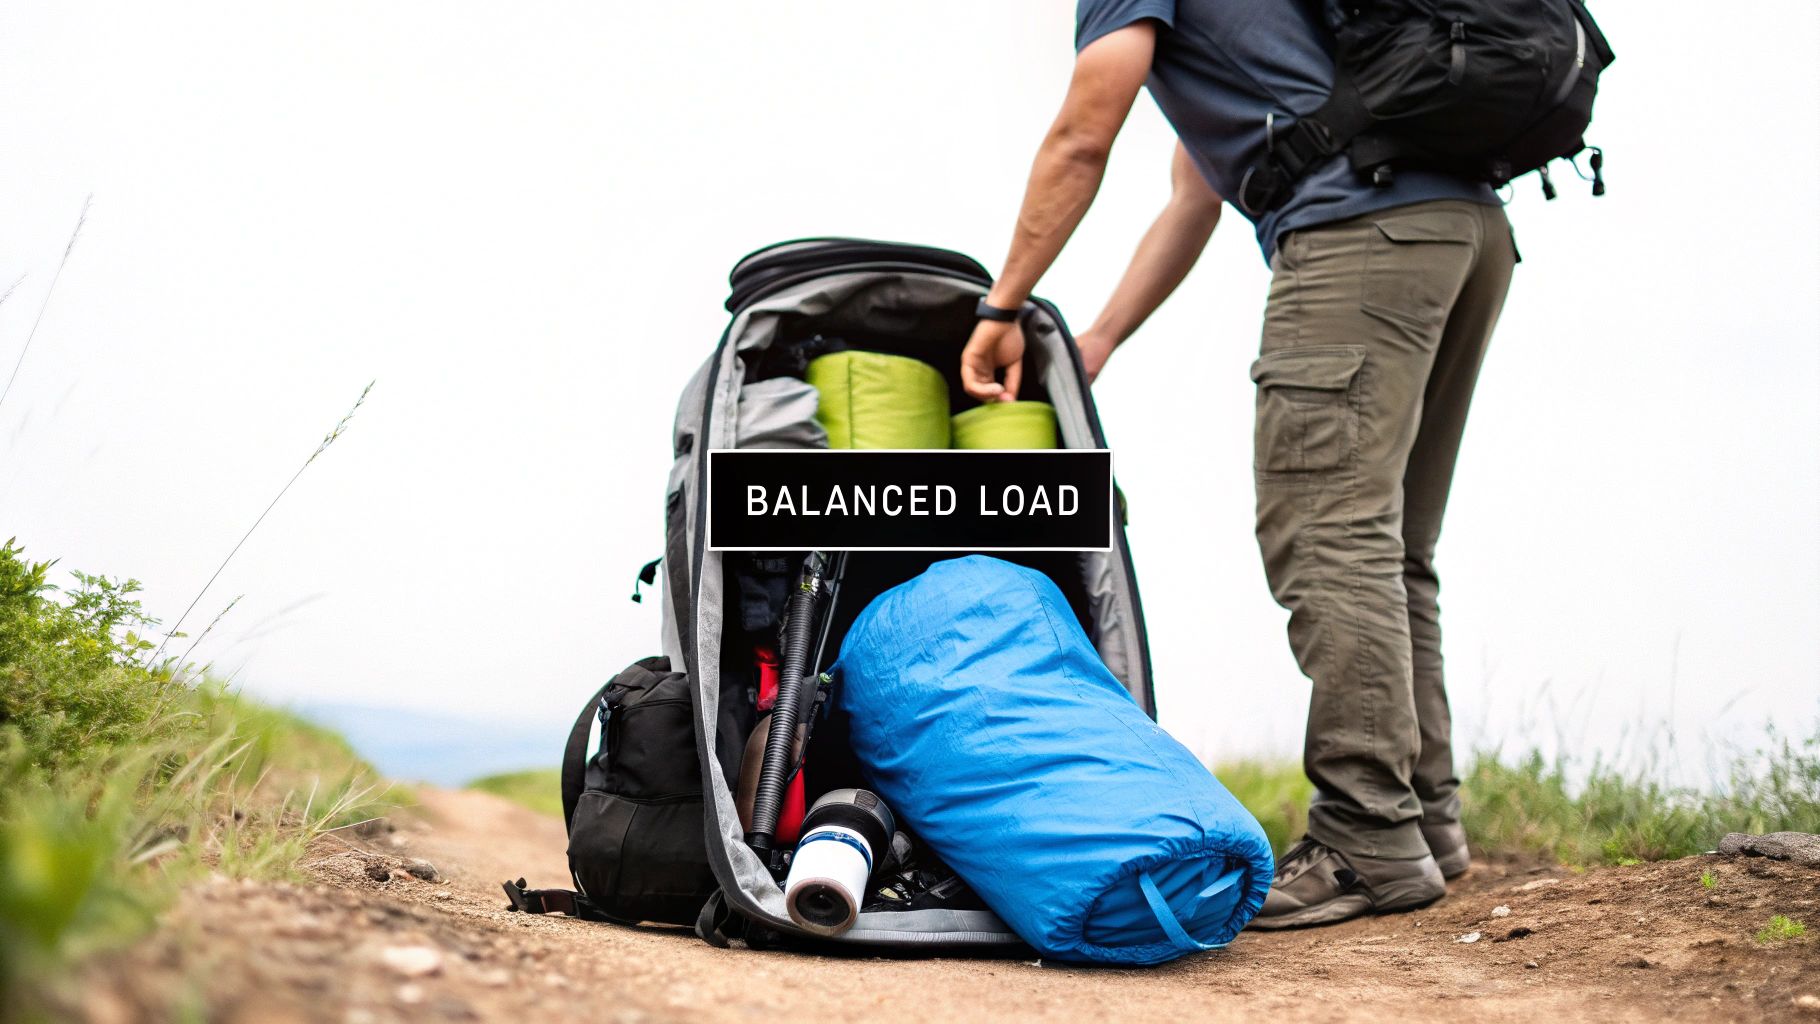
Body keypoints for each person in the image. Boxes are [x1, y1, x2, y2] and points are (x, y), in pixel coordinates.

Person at [958, 0, 1517, 929]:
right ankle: (1424, 820)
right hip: (1463, 230)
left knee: (1330, 537)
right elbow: (1196, 194)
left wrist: (1001, 305)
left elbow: (1080, 137)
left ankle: (1367, 839)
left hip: (1360, 236)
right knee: (1390, 545)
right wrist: (1097, 340)